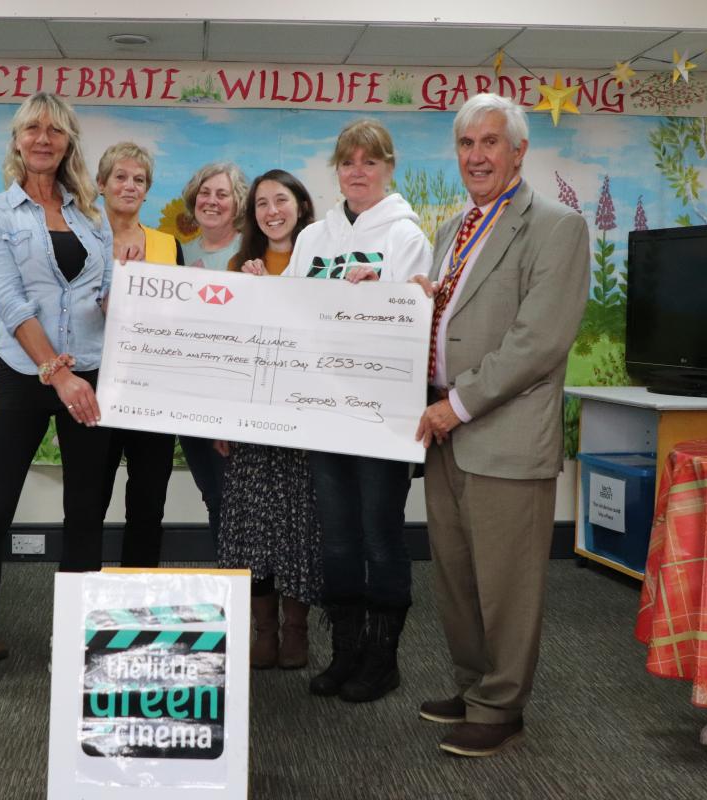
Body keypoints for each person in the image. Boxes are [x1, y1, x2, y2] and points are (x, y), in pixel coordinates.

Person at [413, 93, 588, 756]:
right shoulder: (453, 229)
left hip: (501, 430)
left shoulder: (557, 226)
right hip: (444, 432)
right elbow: (449, 326)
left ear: (519, 151)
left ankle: (502, 705)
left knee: (508, 581)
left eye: (490, 143)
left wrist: (454, 406)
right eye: (466, 144)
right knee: (457, 577)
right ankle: (474, 684)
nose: (476, 155)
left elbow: (537, 342)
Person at [0, 93, 113, 709]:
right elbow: (11, 303)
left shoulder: (93, 216)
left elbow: (107, 297)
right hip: (24, 376)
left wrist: (136, 303)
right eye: (32, 128)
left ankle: (76, 646)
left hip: (91, 375)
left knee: (86, 516)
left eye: (55, 129)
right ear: (16, 140)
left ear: (67, 142)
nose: (43, 137)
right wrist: (55, 374)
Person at [281, 119, 433, 701]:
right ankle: (345, 653)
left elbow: (415, 316)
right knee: (337, 538)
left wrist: (386, 290)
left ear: (388, 168)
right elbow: (293, 309)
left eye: (370, 162)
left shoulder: (406, 235)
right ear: (337, 170)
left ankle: (382, 658)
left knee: (379, 535)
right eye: (349, 162)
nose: (358, 172)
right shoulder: (313, 237)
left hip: (382, 413)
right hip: (324, 408)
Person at [218, 169, 321, 669]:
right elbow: (231, 352)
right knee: (251, 528)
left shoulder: (323, 263)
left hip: (306, 423)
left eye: (281, 200)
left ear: (300, 205)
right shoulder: (241, 265)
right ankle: (263, 629)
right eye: (261, 203)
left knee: (298, 528)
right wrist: (223, 422)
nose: (271, 211)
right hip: (252, 426)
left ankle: (297, 629)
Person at [96, 142, 183, 567]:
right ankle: (84, 604)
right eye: (121, 177)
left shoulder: (168, 245)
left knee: (148, 505)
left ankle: (137, 607)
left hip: (154, 392)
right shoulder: (82, 239)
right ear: (101, 184)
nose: (130, 186)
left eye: (140, 180)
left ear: (147, 191)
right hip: (95, 388)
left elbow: (180, 317)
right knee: (88, 503)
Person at [176, 162, 249, 545]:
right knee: (215, 498)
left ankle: (255, 596)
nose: (212, 201)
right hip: (189, 401)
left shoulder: (251, 253)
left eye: (223, 194)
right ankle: (233, 592)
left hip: (237, 402)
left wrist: (230, 416)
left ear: (238, 204)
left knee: (240, 502)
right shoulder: (179, 255)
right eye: (205, 193)